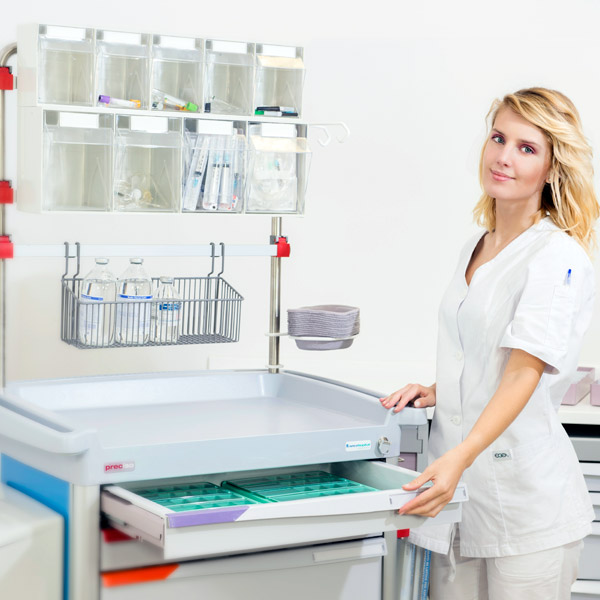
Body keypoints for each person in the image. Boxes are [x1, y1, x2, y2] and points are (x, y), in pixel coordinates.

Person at [380, 88, 599, 600]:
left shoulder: (557, 257)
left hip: (525, 509)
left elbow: (524, 372)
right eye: (498, 138)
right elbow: (486, 351)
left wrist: (459, 458)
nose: (503, 156)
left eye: (527, 148)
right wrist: (441, 389)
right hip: (461, 501)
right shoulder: (475, 246)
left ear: (551, 168)